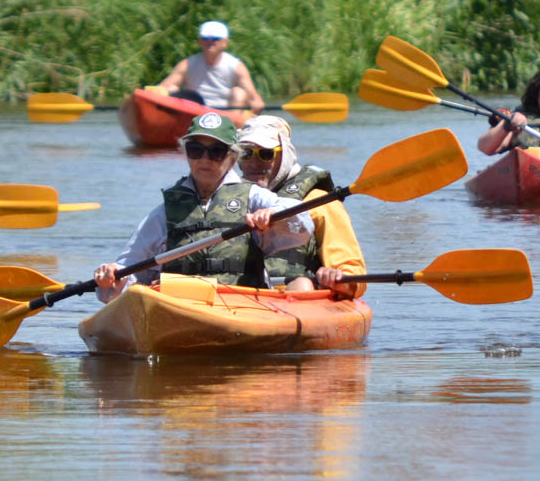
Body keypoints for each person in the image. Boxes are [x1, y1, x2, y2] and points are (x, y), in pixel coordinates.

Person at [92, 113, 312, 300]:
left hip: (240, 304)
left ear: (233, 156)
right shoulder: (167, 211)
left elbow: (303, 227)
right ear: (186, 154)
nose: (205, 159)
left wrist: (274, 215)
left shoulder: (253, 196)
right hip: (181, 305)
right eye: (196, 150)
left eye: (216, 151)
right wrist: (113, 276)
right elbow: (129, 267)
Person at [235, 115, 365, 298]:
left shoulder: (319, 201)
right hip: (236, 297)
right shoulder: (225, 198)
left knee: (302, 285)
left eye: (266, 154)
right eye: (246, 153)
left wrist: (338, 278)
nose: (254, 163)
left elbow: (355, 278)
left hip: (295, 298)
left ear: (285, 154)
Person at [151, 20, 265, 111]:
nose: (210, 42)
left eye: (215, 39)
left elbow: (255, 100)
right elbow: (161, 89)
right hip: (194, 112)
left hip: (226, 115)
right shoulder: (187, 64)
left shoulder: (236, 66)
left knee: (239, 93)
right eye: (205, 38)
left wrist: (256, 105)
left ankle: (231, 127)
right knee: (171, 89)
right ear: (200, 41)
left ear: (225, 43)